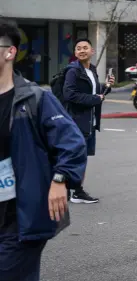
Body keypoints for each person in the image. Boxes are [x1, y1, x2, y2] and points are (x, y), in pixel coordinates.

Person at [0, 21, 87, 280]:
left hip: (20, 216)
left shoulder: (35, 99)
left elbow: (72, 143)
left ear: (10, 52)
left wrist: (60, 179)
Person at [63, 38, 114, 204]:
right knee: (75, 157)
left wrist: (107, 86)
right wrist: (93, 99)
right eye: (78, 48)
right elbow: (69, 94)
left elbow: (96, 93)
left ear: (92, 51)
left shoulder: (91, 70)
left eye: (85, 48)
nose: (82, 50)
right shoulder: (73, 71)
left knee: (82, 157)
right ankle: (73, 191)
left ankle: (74, 190)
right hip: (77, 120)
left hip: (89, 121)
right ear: (75, 53)